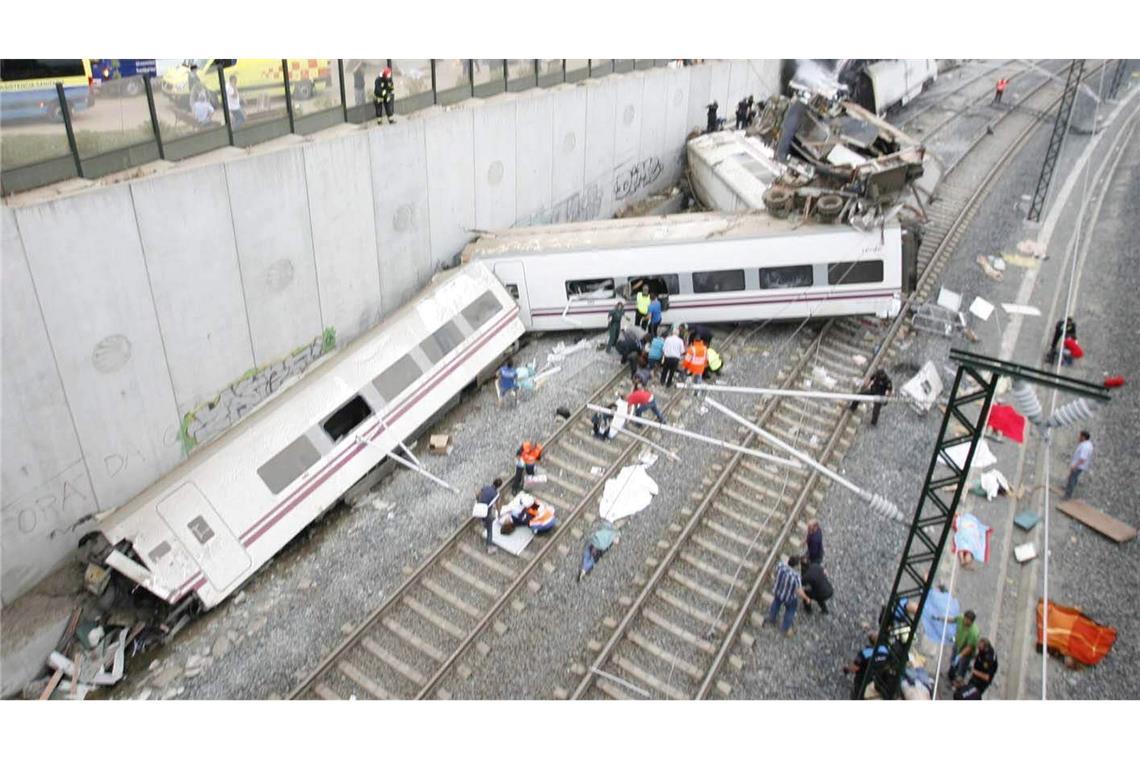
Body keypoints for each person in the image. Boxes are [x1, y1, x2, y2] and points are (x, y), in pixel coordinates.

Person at [764, 555, 808, 636]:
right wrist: (806, 598)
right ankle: (785, 628)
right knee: (790, 610)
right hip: (789, 598)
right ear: (796, 566)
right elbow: (799, 591)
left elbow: (775, 573)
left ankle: (771, 618)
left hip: (778, 592)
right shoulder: (796, 576)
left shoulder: (781, 566)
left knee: (776, 604)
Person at [935, 609, 979, 684]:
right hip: (958, 644)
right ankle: (950, 675)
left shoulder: (973, 632)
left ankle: (958, 681)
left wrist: (960, 655)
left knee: (962, 666)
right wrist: (940, 618)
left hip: (966, 652)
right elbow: (953, 619)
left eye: (967, 620)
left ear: (971, 622)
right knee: (953, 660)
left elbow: (969, 647)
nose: (965, 621)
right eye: (965, 619)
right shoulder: (961, 618)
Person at [475, 478, 503, 554]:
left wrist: (479, 501)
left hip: (479, 509)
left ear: (493, 482)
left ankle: (484, 523)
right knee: (490, 530)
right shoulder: (496, 494)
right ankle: (489, 547)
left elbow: (477, 494)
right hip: (486, 512)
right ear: (499, 486)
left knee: (484, 519)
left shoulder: (486, 487)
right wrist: (499, 514)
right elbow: (497, 505)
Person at [1063, 430, 1093, 499]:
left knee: (1072, 479)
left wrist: (1075, 466)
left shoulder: (1085, 447)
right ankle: (1068, 489)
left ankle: (1068, 495)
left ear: (1083, 437)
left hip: (1078, 466)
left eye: (1080, 436)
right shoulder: (1088, 444)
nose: (1078, 437)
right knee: (1074, 478)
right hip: (1080, 466)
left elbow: (1083, 459)